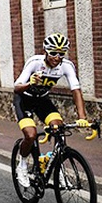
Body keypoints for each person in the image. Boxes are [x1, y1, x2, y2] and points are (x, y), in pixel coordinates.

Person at [13, 33, 89, 187]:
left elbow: (76, 91)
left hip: (42, 100)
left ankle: (58, 167)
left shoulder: (66, 66)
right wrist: (30, 82)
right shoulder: (35, 62)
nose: (57, 57)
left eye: (61, 53)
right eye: (53, 53)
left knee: (58, 127)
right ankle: (21, 165)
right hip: (24, 100)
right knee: (31, 134)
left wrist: (82, 117)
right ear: (46, 51)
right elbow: (17, 87)